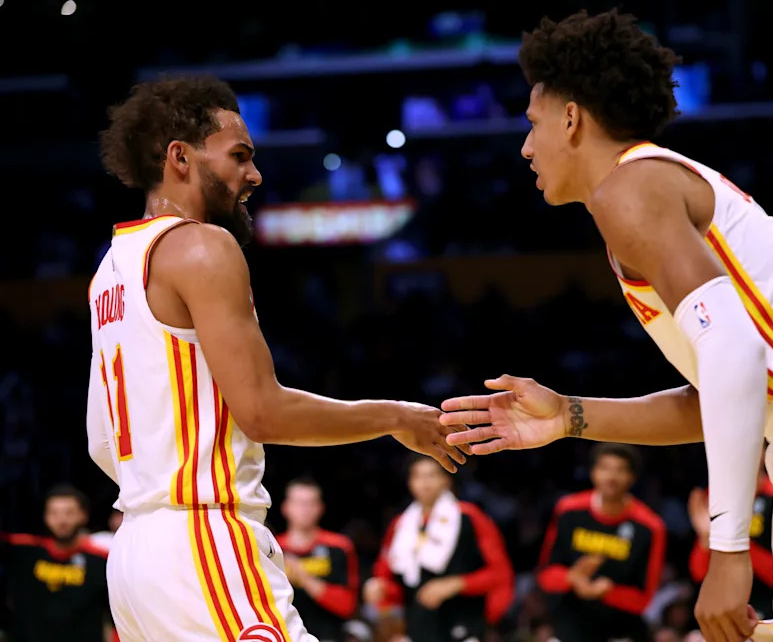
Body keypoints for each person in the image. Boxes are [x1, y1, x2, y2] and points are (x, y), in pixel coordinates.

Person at [439, 8, 773, 642]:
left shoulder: (626, 189)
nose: (525, 147)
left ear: (571, 118)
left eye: (532, 123)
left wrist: (729, 549)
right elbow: (727, 386)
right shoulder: (661, 181)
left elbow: (734, 352)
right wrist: (570, 416)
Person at [87, 75, 468, 642]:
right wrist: (395, 417)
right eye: (239, 156)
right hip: (202, 540)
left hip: (134, 558)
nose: (254, 175)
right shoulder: (201, 246)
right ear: (180, 157)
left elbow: (99, 440)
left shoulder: (111, 268)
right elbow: (262, 413)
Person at [363, 455, 514, 641]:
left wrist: (456, 584)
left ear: (446, 479)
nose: (424, 483)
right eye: (417, 476)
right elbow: (392, 582)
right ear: (410, 482)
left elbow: (500, 574)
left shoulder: (470, 517)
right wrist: (379, 589)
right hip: (418, 626)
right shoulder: (401, 524)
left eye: (432, 475)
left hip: (465, 622)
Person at [537, 443, 665, 642]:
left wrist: (607, 591)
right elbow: (546, 575)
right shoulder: (568, 510)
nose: (611, 477)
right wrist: (573, 578)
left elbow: (645, 598)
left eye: (620, 470)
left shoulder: (650, 526)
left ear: (632, 477)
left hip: (622, 629)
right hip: (571, 623)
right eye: (604, 468)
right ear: (593, 472)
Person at [0, 485, 114, 641]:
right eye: (53, 513)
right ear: (45, 516)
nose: (61, 520)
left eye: (69, 513)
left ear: (83, 515)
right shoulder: (24, 552)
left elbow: (117, 615)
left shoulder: (101, 560)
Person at [688, 464, 773, 620]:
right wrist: (705, 537)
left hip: (768, 605)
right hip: (725, 605)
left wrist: (730, 538)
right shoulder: (717, 498)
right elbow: (699, 573)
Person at [278, 477, 359, 641]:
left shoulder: (339, 547)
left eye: (310, 503)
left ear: (320, 508)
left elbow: (348, 605)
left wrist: (303, 577)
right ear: (286, 508)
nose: (304, 509)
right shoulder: (272, 549)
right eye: (299, 503)